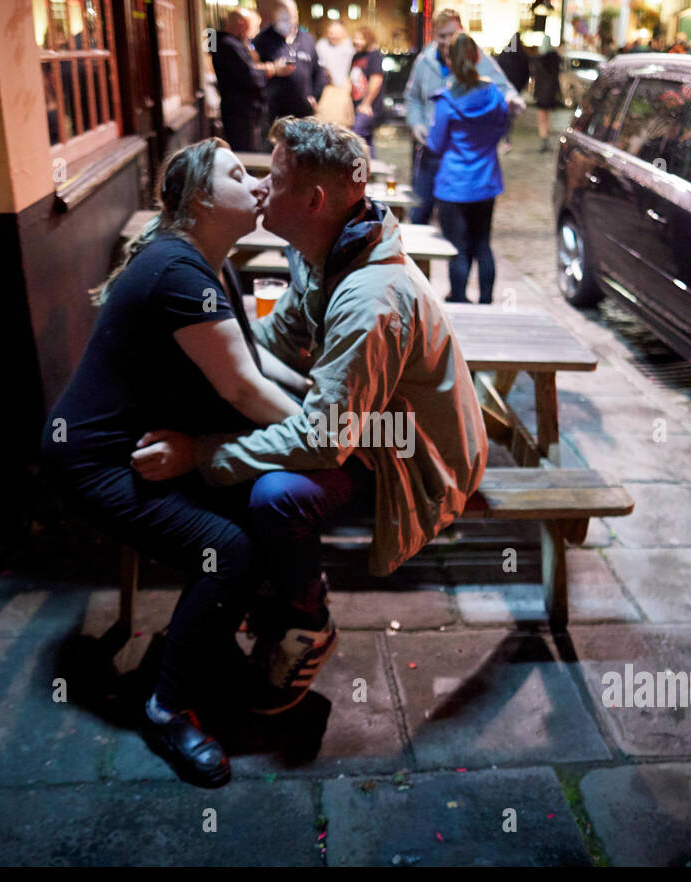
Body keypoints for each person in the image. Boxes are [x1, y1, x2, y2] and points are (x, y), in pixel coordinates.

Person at [130, 118, 488, 716]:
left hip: (411, 455)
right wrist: (208, 352)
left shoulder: (369, 298)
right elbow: (275, 340)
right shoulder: (324, 251)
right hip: (364, 427)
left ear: (315, 200)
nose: (263, 189)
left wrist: (202, 454)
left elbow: (324, 440)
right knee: (259, 451)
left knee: (275, 493)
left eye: (274, 177)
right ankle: (264, 593)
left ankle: (306, 620)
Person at [41, 140, 312, 789]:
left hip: (145, 444)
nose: (255, 185)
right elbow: (244, 390)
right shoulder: (178, 273)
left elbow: (254, 363)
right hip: (97, 461)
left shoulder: (215, 266)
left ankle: (207, 646)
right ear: (198, 200)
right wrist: (319, 434)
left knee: (258, 509)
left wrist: (315, 396)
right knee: (230, 546)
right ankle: (164, 707)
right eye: (238, 175)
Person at [404, 8, 524, 225]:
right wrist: (417, 124)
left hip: (459, 157)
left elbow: (502, 88)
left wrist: (512, 100)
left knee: (457, 227)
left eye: (452, 34)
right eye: (442, 36)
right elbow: (412, 98)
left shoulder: (478, 58)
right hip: (430, 152)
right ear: (433, 35)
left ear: (462, 31)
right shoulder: (425, 60)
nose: (448, 41)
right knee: (419, 213)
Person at [428, 32, 508, 304]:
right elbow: (502, 129)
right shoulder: (495, 95)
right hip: (485, 180)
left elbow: (436, 144)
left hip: (454, 184)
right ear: (476, 57)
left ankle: (460, 299)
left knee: (458, 248)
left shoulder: (446, 101)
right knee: (483, 244)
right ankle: (487, 301)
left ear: (450, 60)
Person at [212, 9, 280, 151]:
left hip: (243, 111)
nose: (254, 32)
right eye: (253, 26)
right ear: (241, 23)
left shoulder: (231, 43)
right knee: (245, 153)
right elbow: (249, 76)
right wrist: (269, 70)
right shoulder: (227, 44)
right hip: (239, 113)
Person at [253, 0, 328, 127]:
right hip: (274, 113)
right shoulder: (262, 39)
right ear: (274, 16)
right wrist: (273, 68)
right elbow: (251, 69)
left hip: (303, 112)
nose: (288, 22)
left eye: (292, 17)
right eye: (283, 18)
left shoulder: (307, 38)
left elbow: (318, 71)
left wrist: (315, 96)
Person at [349, 25, 384, 154]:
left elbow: (376, 80)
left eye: (360, 38)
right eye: (355, 38)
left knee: (355, 136)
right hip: (357, 107)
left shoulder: (374, 56)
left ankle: (358, 171)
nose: (356, 41)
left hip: (368, 108)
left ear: (368, 40)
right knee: (366, 142)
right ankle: (368, 171)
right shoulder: (356, 57)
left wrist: (366, 103)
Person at [495, 32, 530, 151]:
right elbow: (526, 73)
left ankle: (505, 137)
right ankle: (506, 138)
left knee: (505, 114)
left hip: (505, 90)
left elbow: (497, 70)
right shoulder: (522, 56)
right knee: (509, 115)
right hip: (515, 89)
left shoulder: (505, 54)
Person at [533, 34, 561, 150]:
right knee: (546, 116)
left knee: (541, 117)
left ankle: (544, 139)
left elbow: (538, 79)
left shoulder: (539, 60)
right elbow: (556, 78)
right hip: (550, 93)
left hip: (541, 93)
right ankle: (545, 138)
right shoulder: (555, 60)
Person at [316, 19, 354, 89]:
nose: (333, 36)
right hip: (326, 87)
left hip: (345, 87)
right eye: (330, 33)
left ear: (343, 32)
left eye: (336, 34)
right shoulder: (321, 45)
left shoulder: (351, 46)